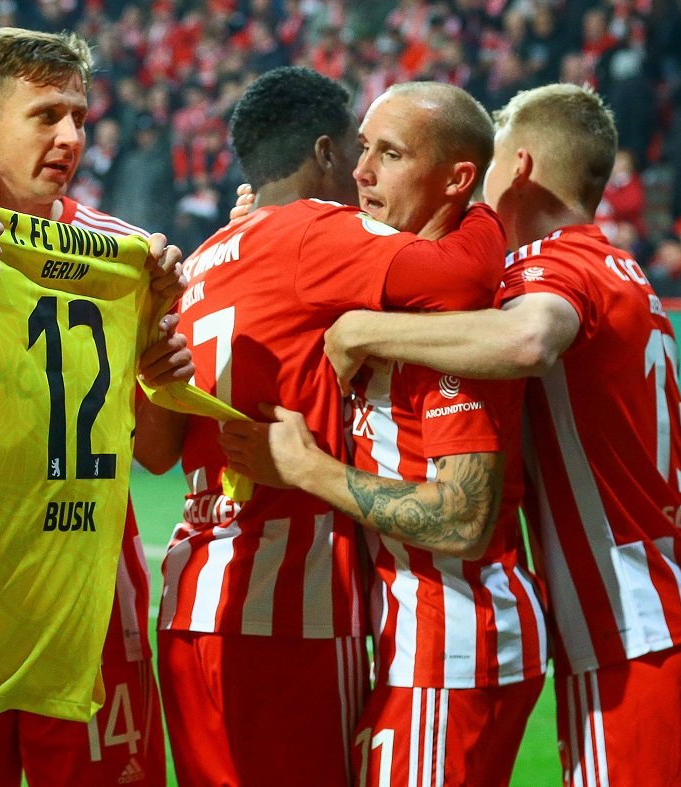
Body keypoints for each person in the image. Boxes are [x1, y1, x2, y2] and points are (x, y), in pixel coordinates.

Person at [324, 83, 681, 786]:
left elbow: (527, 340)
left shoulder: (550, 265)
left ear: (515, 167)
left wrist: (362, 330)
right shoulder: (620, 266)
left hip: (630, 621)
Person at [151, 71, 506, 787]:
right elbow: (463, 277)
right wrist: (492, 208)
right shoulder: (317, 230)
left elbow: (155, 450)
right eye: (358, 149)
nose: (366, 172)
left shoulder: (207, 255)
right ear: (325, 154)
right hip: (289, 603)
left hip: (192, 596)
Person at [0, 27, 183, 787]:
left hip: (88, 598)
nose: (71, 137)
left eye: (79, 116)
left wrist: (159, 369)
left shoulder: (126, 257)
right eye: (47, 116)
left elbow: (156, 451)